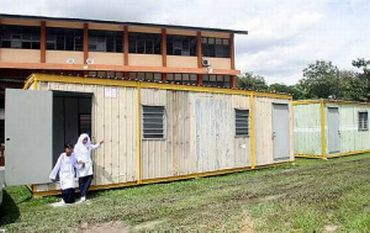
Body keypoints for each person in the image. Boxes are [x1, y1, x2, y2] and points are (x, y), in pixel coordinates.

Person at [74, 133, 104, 202]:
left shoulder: (88, 145)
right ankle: (82, 195)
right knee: (82, 180)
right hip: (82, 165)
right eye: (84, 139)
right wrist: (81, 161)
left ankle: (84, 193)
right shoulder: (77, 146)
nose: (85, 141)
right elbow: (76, 155)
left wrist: (100, 143)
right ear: (81, 139)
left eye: (86, 139)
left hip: (88, 165)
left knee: (89, 178)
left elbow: (94, 146)